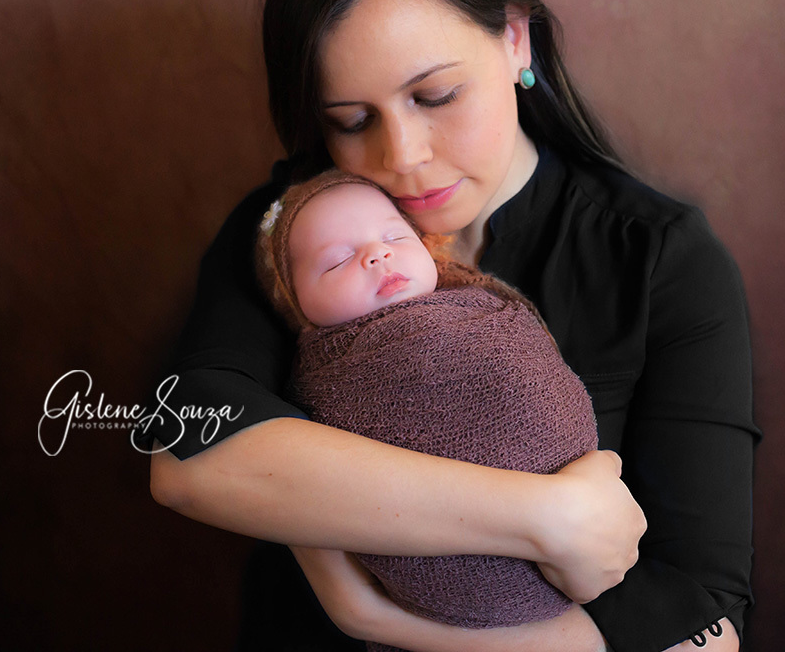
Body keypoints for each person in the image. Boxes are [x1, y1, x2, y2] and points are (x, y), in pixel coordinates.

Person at [143, 0, 758, 652]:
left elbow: (707, 627)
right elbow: (187, 453)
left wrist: (377, 614)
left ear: (514, 38)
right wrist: (547, 517)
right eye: (352, 120)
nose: (401, 159)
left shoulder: (658, 259)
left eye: (435, 95)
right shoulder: (291, 233)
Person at [253, 169, 600, 651]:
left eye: (395, 235)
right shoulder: (327, 373)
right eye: (335, 262)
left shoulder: (478, 306)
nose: (378, 253)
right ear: (297, 306)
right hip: (464, 591)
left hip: (583, 536)